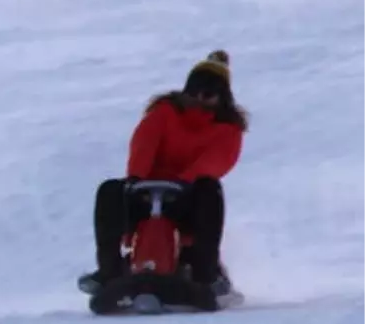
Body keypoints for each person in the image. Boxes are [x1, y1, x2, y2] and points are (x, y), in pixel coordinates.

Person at [78, 50, 248, 297]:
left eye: (210, 93)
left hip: (189, 197)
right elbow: (145, 144)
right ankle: (109, 270)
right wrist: (136, 179)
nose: (201, 97)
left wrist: (186, 182)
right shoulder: (165, 113)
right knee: (110, 190)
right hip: (146, 192)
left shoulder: (227, 128)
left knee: (209, 190)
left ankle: (205, 273)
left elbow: (218, 159)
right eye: (196, 89)